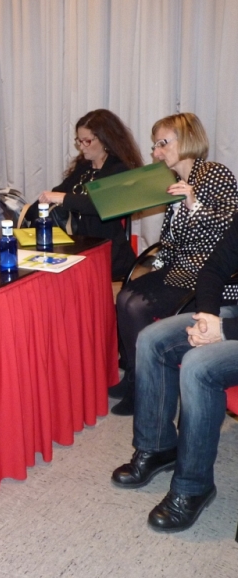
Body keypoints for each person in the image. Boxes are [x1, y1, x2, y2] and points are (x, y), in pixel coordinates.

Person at [111, 215, 238, 533]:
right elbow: (214, 267)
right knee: (153, 339)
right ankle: (156, 446)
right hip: (230, 316)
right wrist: (208, 316)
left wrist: (222, 331)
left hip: (233, 326)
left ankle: (193, 486)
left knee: (200, 366)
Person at [111, 113, 238, 416]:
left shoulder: (215, 173)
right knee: (125, 296)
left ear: (187, 139)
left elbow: (229, 228)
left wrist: (193, 203)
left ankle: (143, 388)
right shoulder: (175, 182)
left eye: (162, 143)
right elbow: (169, 240)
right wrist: (156, 267)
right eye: (155, 145)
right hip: (179, 268)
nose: (156, 152)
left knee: (135, 304)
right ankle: (134, 376)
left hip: (210, 275)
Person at [29, 109, 143, 279]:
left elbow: (101, 204)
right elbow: (57, 192)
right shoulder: (84, 166)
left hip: (106, 250)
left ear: (105, 140)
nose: (81, 147)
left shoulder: (119, 169)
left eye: (87, 141)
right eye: (79, 141)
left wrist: (64, 199)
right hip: (77, 244)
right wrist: (31, 214)